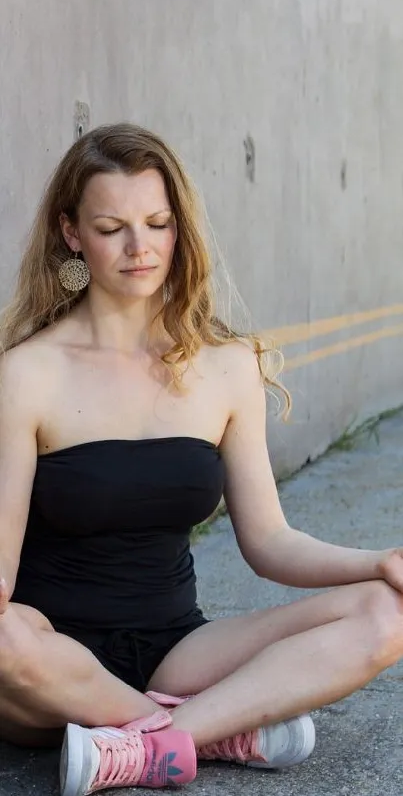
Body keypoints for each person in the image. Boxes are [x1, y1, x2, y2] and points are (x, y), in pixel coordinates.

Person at [0, 123, 402, 796]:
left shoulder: (225, 365)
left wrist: (377, 562)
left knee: (387, 612)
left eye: (157, 223)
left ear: (178, 227)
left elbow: (269, 541)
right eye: (112, 227)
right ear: (72, 233)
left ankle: (147, 740)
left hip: (180, 651)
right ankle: (215, 731)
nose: (140, 247)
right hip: (52, 667)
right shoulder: (26, 375)